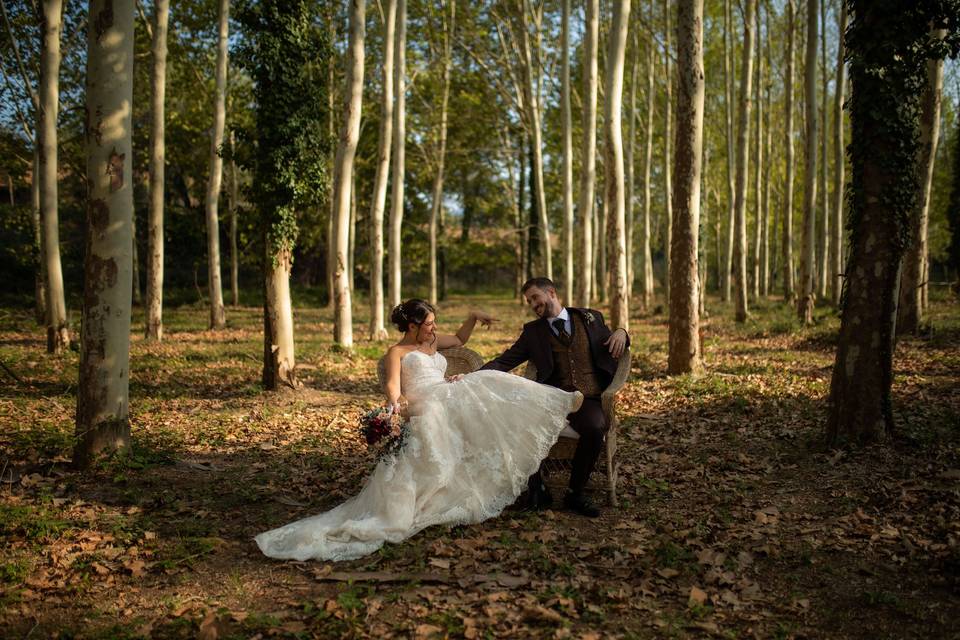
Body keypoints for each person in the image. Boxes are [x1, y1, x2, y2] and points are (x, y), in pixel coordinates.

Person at [254, 299, 583, 562]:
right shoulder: (397, 352)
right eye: (427, 324)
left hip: (445, 393)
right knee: (481, 386)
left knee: (485, 381)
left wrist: (471, 317)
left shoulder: (435, 342)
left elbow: (462, 340)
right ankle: (555, 412)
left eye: (433, 324)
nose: (433, 329)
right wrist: (395, 409)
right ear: (412, 326)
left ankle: (553, 409)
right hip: (424, 404)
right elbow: (395, 389)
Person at [481, 277, 629, 518]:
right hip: (550, 398)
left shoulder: (589, 318)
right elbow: (505, 360)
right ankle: (537, 489)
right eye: (529, 301)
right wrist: (475, 376)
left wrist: (623, 332)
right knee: (517, 422)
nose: (533, 304)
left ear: (551, 292)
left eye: (535, 298)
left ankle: (575, 493)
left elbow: (614, 338)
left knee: (595, 427)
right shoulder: (532, 332)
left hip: (588, 397)